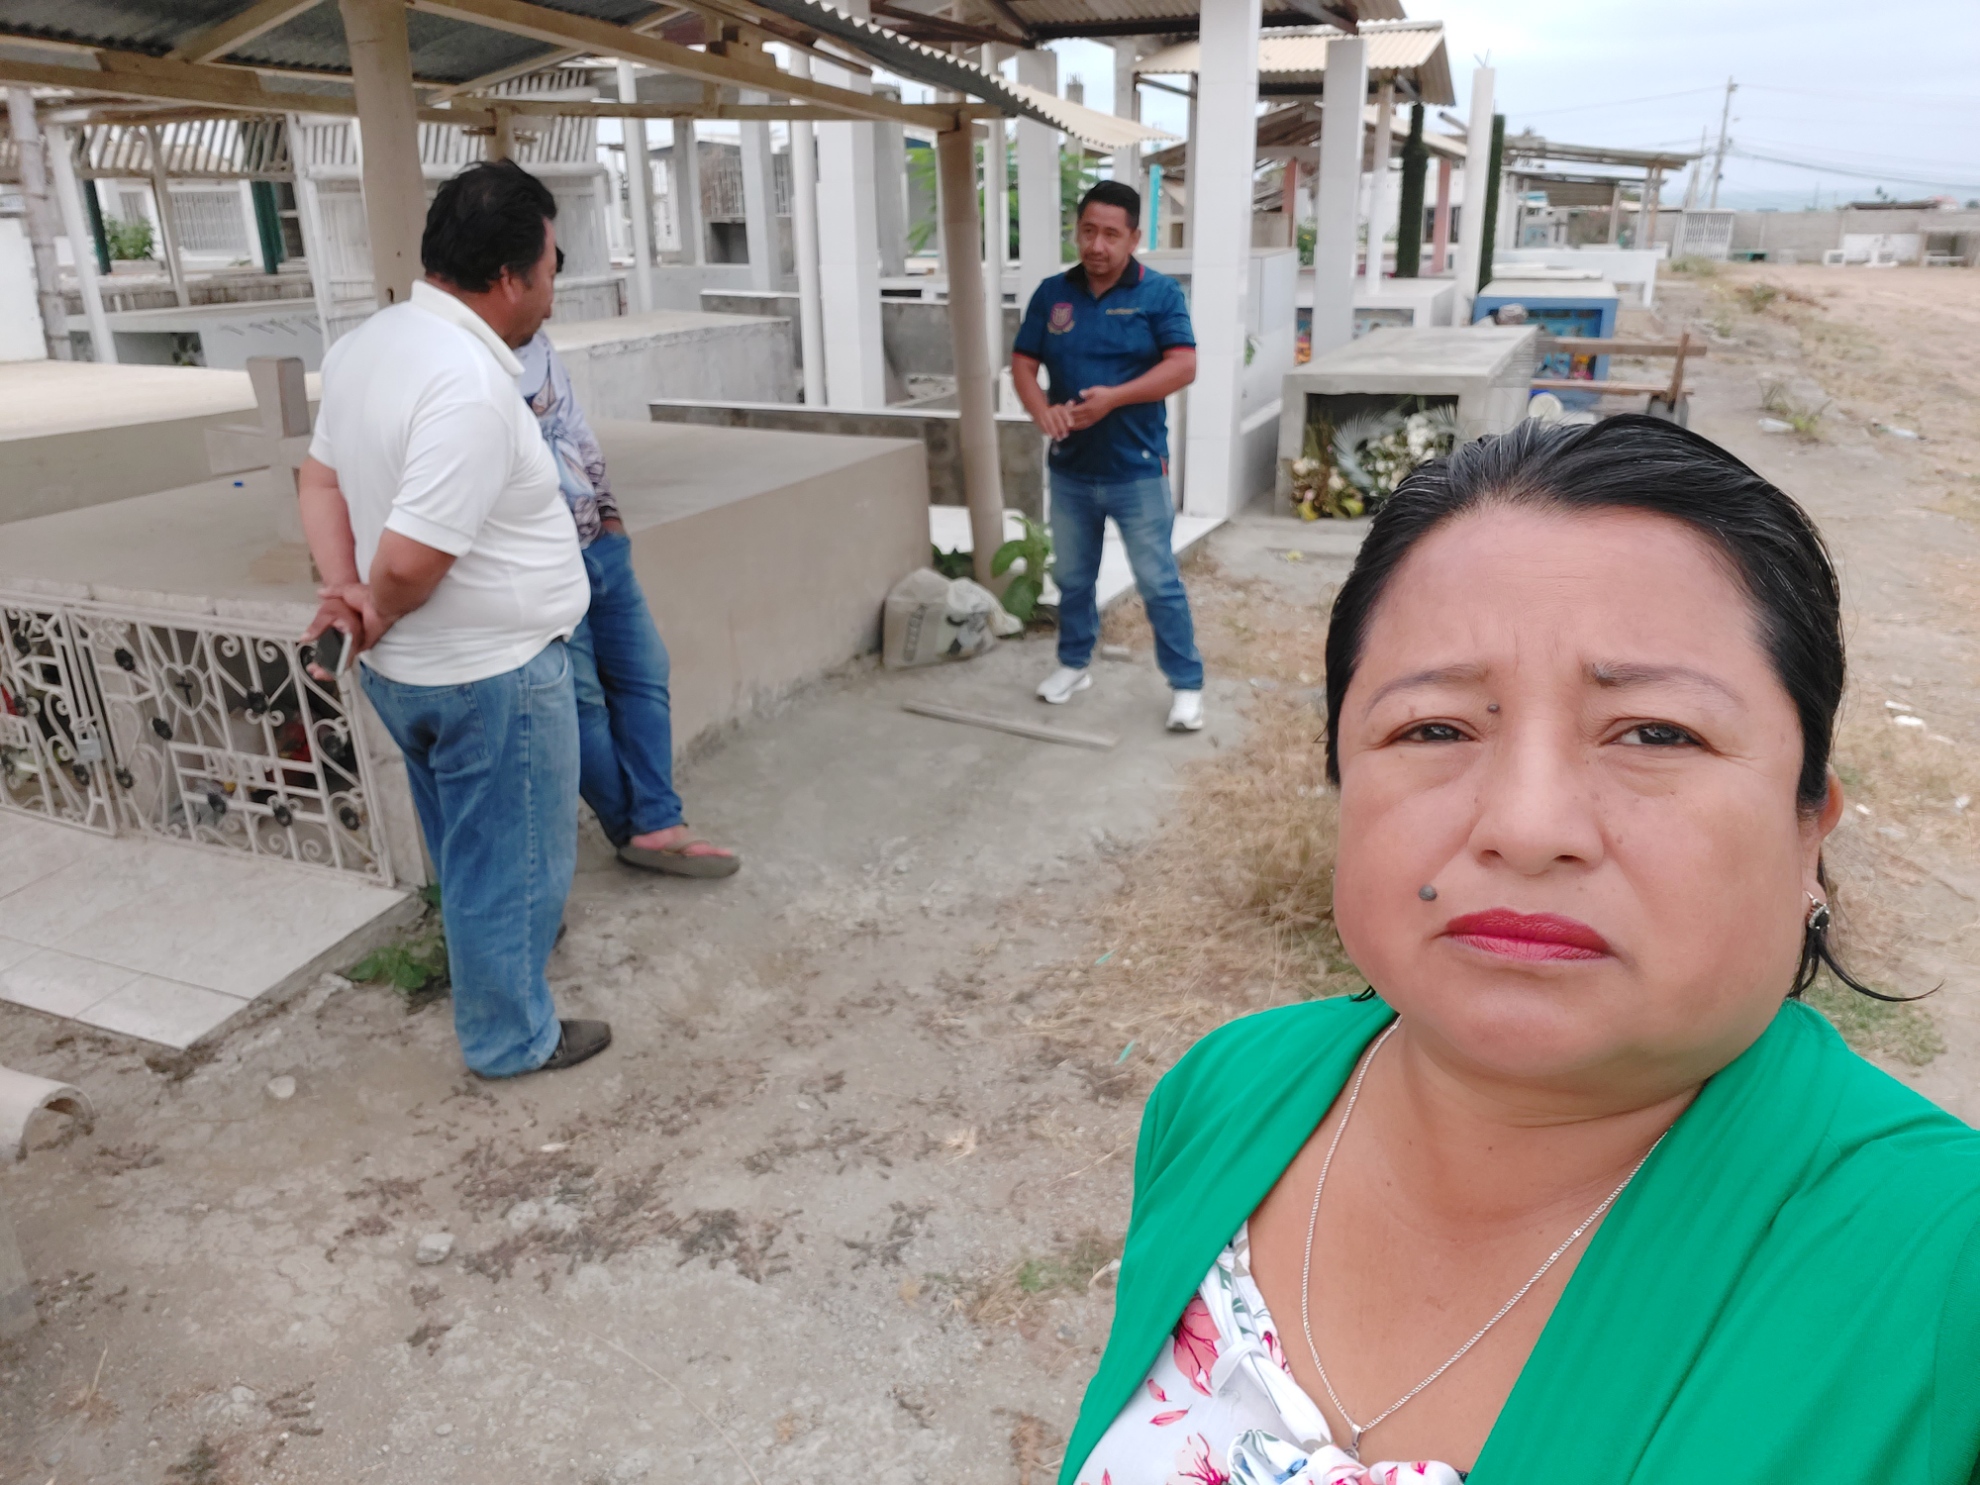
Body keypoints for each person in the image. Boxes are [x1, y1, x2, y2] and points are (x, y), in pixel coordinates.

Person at [1059, 417, 1980, 1484]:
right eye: (1436, 729)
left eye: (1656, 732)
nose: (1528, 825)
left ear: (1809, 826)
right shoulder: (1224, 1092)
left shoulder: (1945, 1273)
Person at [297, 161, 609, 1079]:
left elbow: (319, 480)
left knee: (472, 852)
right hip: (491, 676)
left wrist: (343, 591)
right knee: (509, 865)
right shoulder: (466, 382)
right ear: (509, 277)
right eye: (552, 266)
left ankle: (493, 967)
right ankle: (511, 1038)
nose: (554, 287)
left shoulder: (367, 343)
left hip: (419, 678)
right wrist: (374, 602)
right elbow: (409, 563)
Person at [515, 332, 739, 877]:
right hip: (542, 562)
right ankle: (641, 828)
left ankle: (653, 823)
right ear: (508, 285)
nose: (550, 302)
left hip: (599, 546)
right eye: (544, 286)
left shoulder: (537, 344)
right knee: (582, 700)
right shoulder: (464, 362)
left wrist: (610, 517)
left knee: (644, 672)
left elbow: (575, 428)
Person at [1012, 180, 1205, 732]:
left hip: (1136, 468)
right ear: (1077, 231)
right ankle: (1074, 664)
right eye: (1088, 231)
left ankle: (1186, 685)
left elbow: (1184, 365)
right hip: (1071, 469)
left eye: (1111, 234)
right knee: (1074, 577)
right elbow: (1023, 362)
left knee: (1158, 582)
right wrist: (1041, 410)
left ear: (1134, 238)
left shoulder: (1159, 294)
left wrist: (1114, 399)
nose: (1097, 245)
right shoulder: (1053, 294)